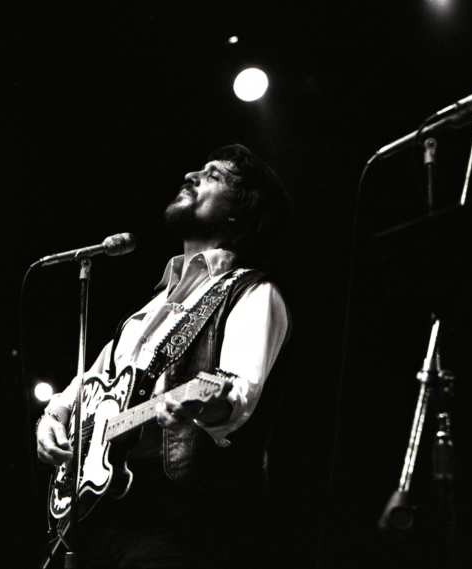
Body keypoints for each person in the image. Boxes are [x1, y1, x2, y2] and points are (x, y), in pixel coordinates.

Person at [36, 144, 293, 569]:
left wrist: (208, 403)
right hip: (100, 514)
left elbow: (237, 394)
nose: (191, 174)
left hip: (176, 517)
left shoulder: (252, 292)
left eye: (213, 175)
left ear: (238, 213)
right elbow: (92, 379)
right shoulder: (154, 304)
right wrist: (53, 417)